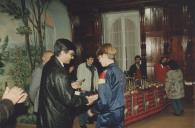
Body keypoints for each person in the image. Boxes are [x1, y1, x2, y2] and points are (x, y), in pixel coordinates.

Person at [37, 38, 98, 128]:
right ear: (62, 52)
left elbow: (57, 90)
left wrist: (70, 86)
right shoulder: (59, 71)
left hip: (48, 114)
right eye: (71, 54)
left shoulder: (50, 64)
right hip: (56, 118)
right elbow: (69, 99)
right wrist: (86, 100)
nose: (72, 57)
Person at [88, 43, 126, 128]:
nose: (99, 60)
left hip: (108, 115)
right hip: (119, 112)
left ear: (104, 55)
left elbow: (104, 102)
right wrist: (98, 96)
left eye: (99, 58)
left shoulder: (105, 74)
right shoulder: (120, 71)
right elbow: (115, 92)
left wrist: (93, 110)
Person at [29, 50, 53, 120]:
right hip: (42, 105)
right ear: (43, 58)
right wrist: (36, 101)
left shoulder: (49, 69)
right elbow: (32, 90)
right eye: (50, 57)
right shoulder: (39, 70)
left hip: (49, 105)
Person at [77, 55, 99, 128]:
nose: (92, 61)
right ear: (87, 59)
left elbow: (96, 79)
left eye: (93, 59)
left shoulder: (94, 68)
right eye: (91, 59)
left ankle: (89, 119)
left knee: (91, 106)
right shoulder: (81, 66)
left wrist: (98, 89)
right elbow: (79, 78)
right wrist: (81, 88)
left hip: (92, 90)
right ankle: (82, 123)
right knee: (83, 107)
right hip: (84, 90)